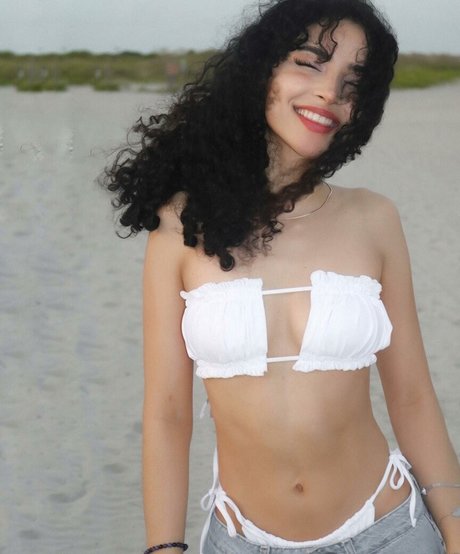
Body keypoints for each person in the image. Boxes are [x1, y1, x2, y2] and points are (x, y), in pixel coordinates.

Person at [101, 0, 460, 552]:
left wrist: (455, 528)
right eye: (310, 63)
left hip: (390, 530)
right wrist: (164, 548)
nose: (330, 93)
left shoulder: (375, 218)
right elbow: (168, 415)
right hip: (242, 540)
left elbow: (412, 397)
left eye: (351, 84)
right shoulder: (179, 227)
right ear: (262, 69)